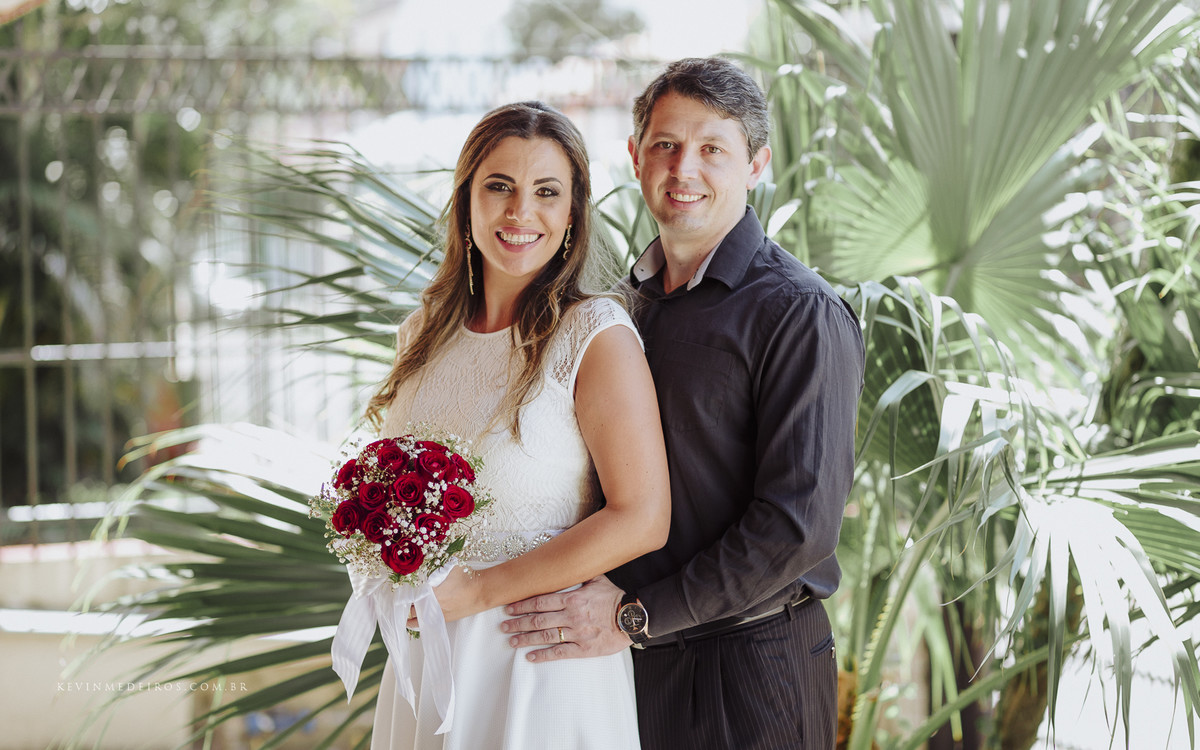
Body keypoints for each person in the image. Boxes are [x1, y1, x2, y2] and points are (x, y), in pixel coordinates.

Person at [502, 58, 865, 749]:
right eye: (665, 145)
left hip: (748, 670)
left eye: (712, 150)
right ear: (636, 157)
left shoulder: (800, 313)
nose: (683, 169)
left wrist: (636, 615)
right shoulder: (615, 310)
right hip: (620, 665)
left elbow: (796, 528)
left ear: (756, 165)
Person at [363, 101, 670, 749]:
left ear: (570, 216)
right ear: (466, 199)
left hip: (539, 669)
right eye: (498, 186)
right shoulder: (422, 334)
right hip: (428, 659)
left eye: (546, 193)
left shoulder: (595, 336)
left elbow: (643, 516)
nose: (519, 212)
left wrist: (474, 592)